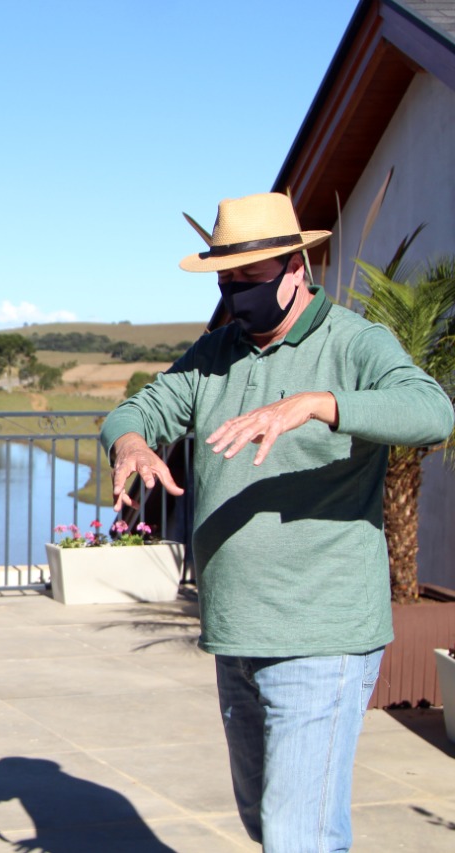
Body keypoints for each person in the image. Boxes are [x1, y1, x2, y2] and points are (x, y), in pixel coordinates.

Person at [101, 192, 455, 852]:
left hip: (322, 631)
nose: (236, 296)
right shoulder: (216, 353)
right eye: (226, 281)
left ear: (297, 266)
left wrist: (318, 404)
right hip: (237, 628)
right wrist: (130, 441)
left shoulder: (354, 342)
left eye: (250, 280)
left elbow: (431, 409)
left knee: (301, 834)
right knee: (266, 819)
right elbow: (141, 409)